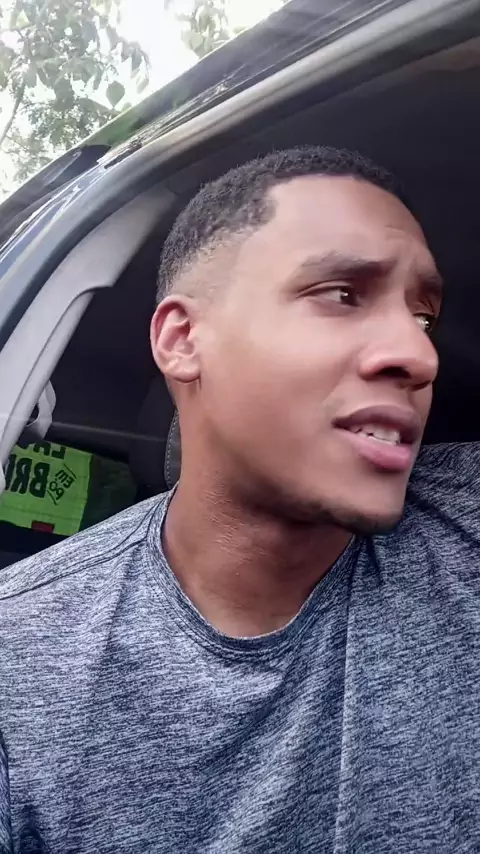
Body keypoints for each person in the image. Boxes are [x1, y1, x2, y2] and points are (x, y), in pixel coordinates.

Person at [0, 145, 478, 854]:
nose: (420, 356)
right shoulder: (21, 662)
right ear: (183, 339)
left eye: (425, 317)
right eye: (342, 294)